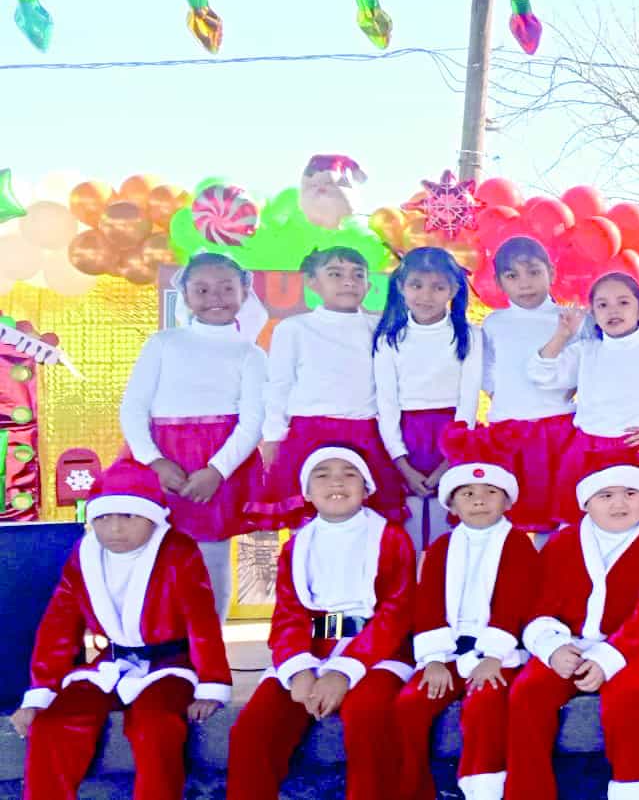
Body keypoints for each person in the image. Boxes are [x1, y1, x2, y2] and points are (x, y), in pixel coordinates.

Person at [12, 459, 231, 800]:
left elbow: (201, 621)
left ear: (153, 517)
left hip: (170, 664)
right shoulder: (84, 556)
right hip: (108, 663)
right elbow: (59, 625)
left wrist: (211, 684)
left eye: (127, 516)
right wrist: (42, 691)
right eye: (102, 518)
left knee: (155, 726)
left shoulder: (178, 551)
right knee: (54, 724)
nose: (114, 529)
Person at [226, 446, 416, 800]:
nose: (336, 482)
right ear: (307, 492)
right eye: (323, 474)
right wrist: (299, 669)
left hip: (376, 650)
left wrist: (344, 670)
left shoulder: (391, 538)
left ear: (367, 487)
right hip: (310, 650)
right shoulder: (296, 546)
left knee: (368, 717)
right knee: (253, 730)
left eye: (349, 473)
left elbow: (396, 611)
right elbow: (288, 613)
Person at [506, 455, 639, 800]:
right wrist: (551, 647)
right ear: (586, 503)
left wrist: (608, 658)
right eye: (606, 496)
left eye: (630, 493)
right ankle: (528, 791)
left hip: (637, 645)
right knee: (526, 694)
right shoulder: (563, 543)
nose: (619, 503)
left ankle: (635, 788)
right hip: (571, 642)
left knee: (630, 696)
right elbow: (540, 605)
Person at [118, 252, 265, 620]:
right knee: (150, 548)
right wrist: (153, 461)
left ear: (245, 290)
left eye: (226, 288)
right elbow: (133, 408)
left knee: (210, 555)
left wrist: (216, 471)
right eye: (202, 289)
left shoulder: (251, 353)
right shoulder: (163, 343)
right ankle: (153, 639)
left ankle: (209, 649)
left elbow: (253, 421)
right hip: (160, 458)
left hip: (218, 464)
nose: (215, 297)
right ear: (184, 294)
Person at [394, 438, 538, 800]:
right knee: (408, 706)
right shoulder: (442, 547)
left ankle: (483, 789)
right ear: (452, 505)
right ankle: (413, 788)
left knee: (484, 705)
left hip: (496, 652)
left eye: (491, 492)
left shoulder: (518, 543)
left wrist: (493, 656)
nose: (479, 500)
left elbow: (515, 601)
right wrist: (434, 659)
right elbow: (426, 603)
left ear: (507, 501)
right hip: (447, 651)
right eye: (468, 493)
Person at [529, 272, 639, 526]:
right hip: (586, 451)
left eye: (623, 302)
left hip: (636, 451)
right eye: (603, 305)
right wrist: (562, 335)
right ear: (593, 312)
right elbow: (541, 375)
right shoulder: (586, 350)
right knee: (577, 525)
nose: (613, 310)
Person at [257, 246, 404, 527]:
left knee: (369, 520)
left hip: (366, 433)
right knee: (308, 520)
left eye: (357, 274)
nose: (348, 281)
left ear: (368, 284)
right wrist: (273, 437)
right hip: (308, 434)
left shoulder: (381, 328)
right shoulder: (294, 328)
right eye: (335, 274)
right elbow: (279, 385)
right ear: (313, 282)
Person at [372, 247, 482, 551]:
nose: (426, 295)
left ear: (454, 288)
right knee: (406, 527)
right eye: (416, 285)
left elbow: (468, 401)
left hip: (452, 436)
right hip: (405, 438)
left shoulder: (469, 336)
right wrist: (401, 462)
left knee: (447, 525)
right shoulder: (388, 338)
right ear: (401, 286)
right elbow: (388, 404)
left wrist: (450, 459)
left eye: (438, 287)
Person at [480, 236, 578, 531]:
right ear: (499, 282)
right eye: (512, 276)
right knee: (512, 516)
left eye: (534, 272)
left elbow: (583, 369)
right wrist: (509, 398)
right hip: (508, 430)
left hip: (559, 428)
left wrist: (559, 395)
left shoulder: (572, 320)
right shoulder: (494, 323)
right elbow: (487, 370)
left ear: (552, 272)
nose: (525, 284)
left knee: (561, 517)